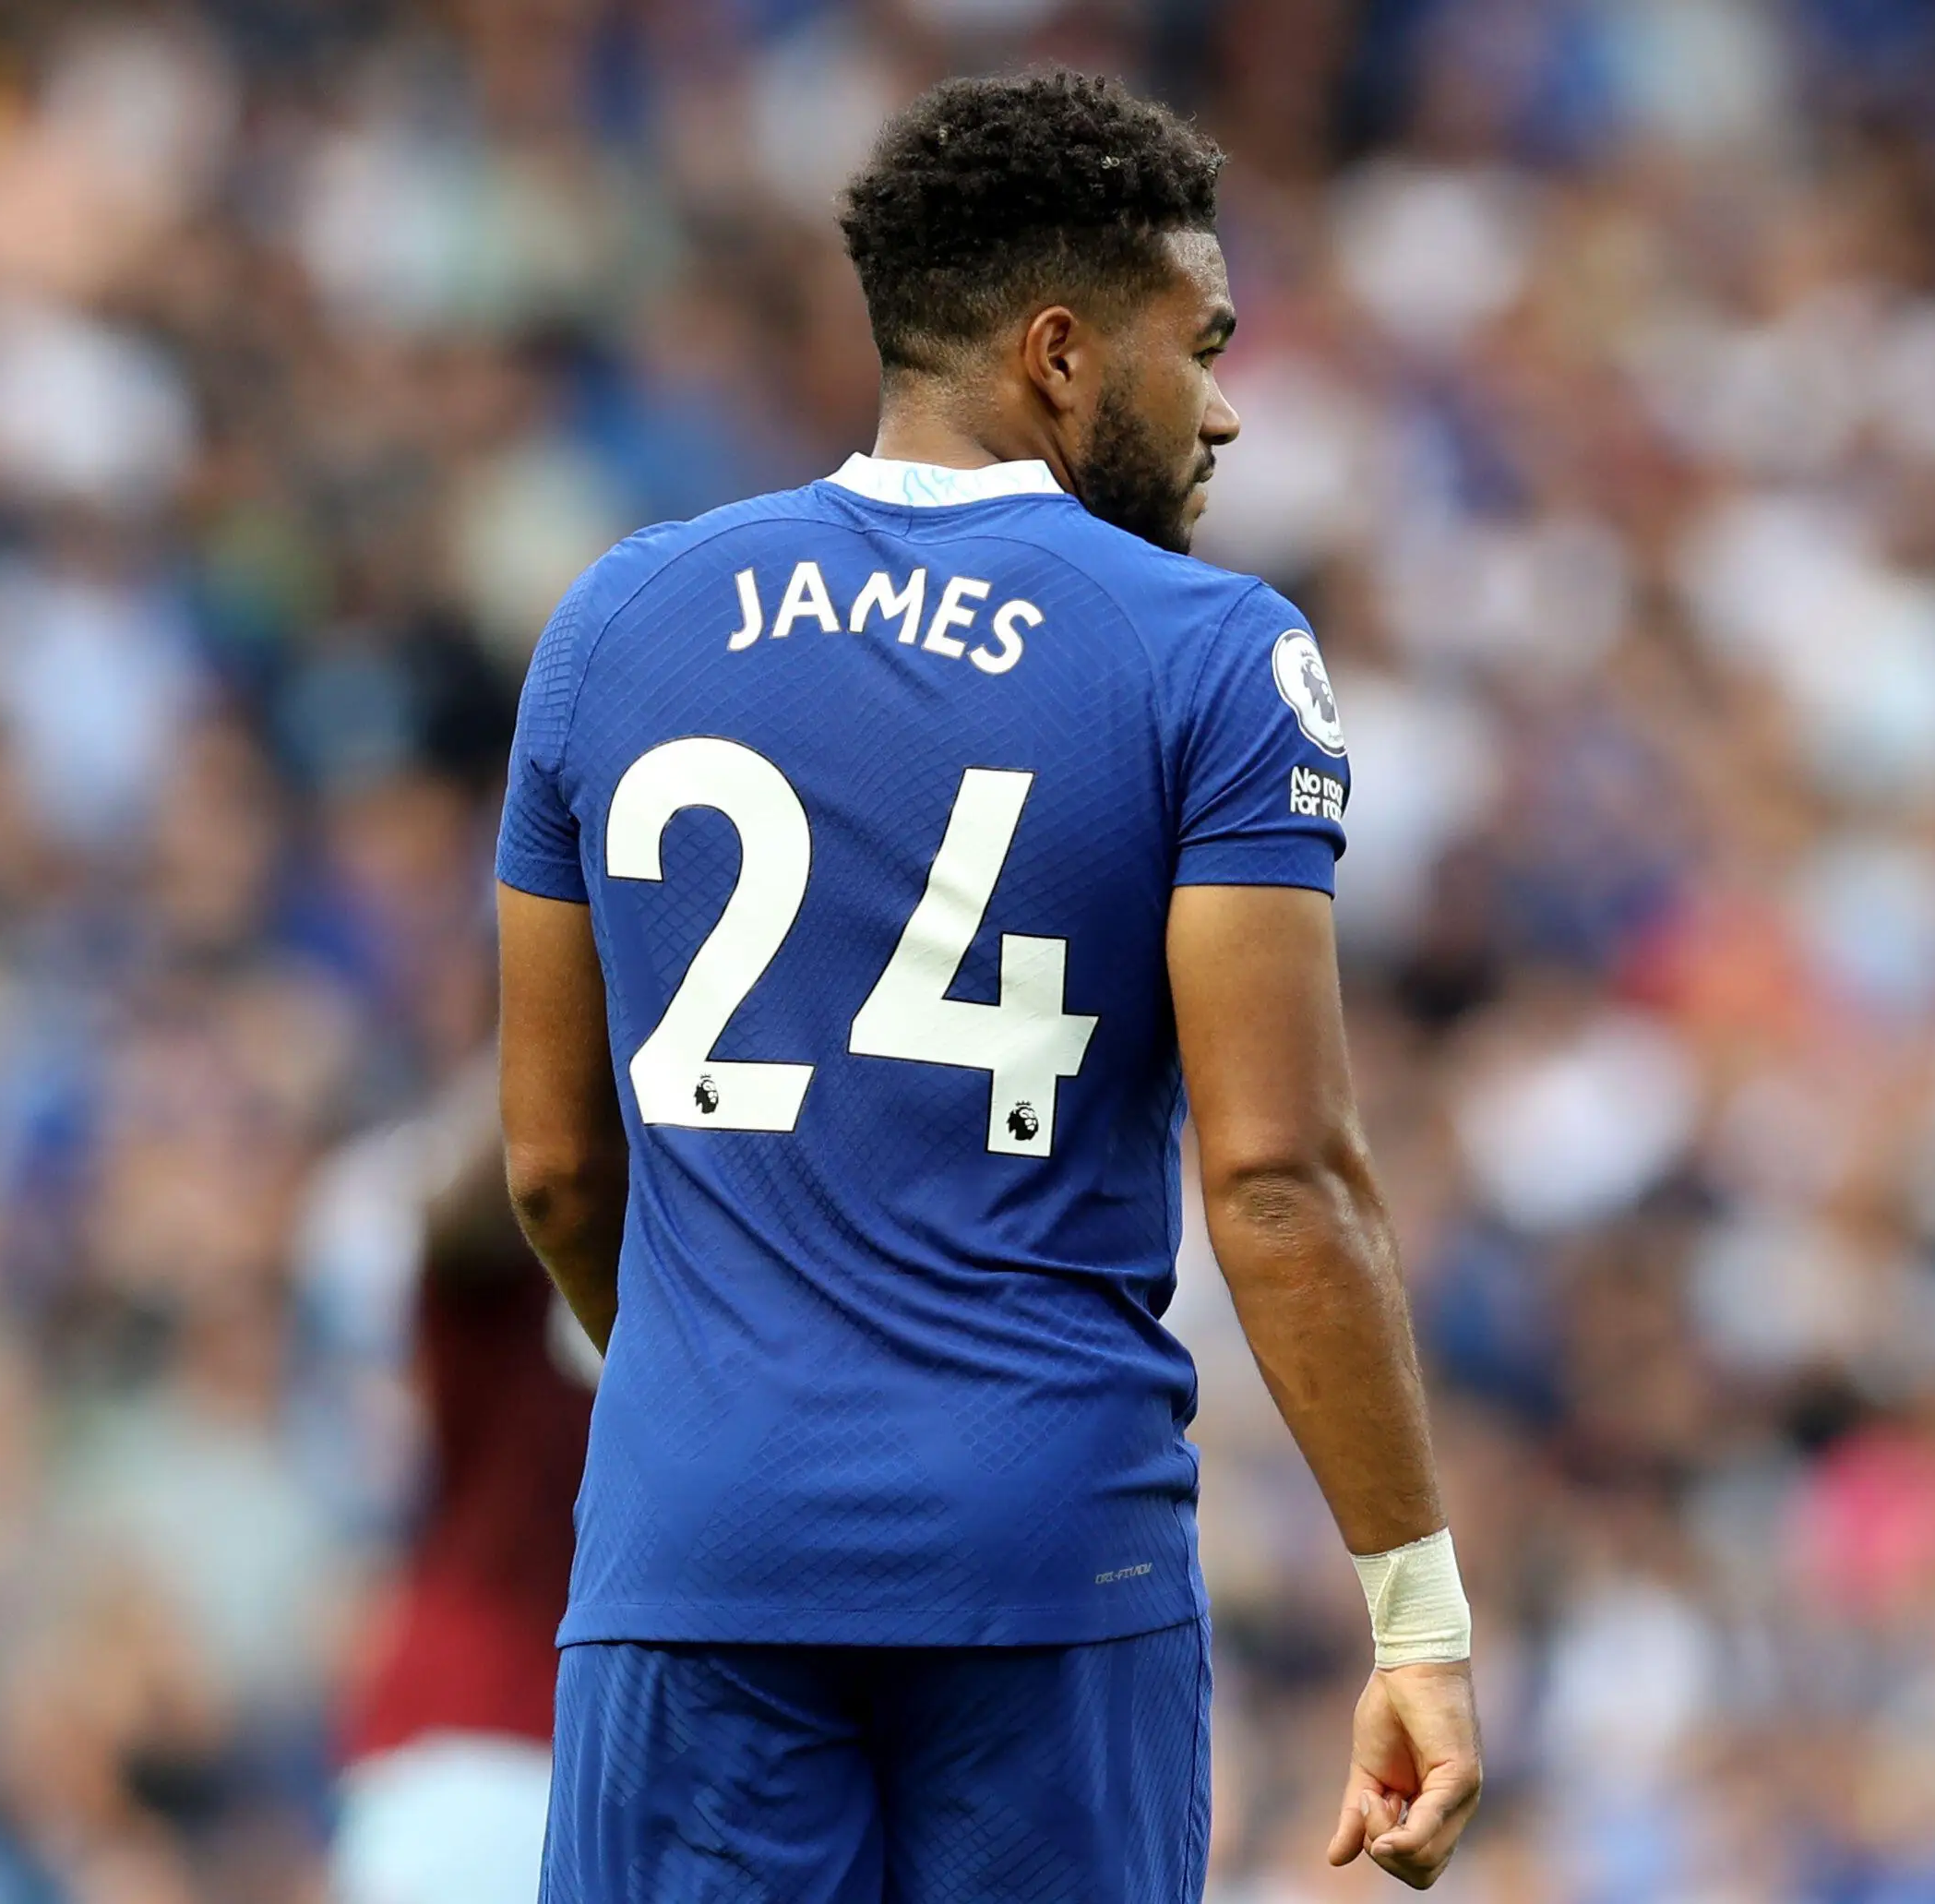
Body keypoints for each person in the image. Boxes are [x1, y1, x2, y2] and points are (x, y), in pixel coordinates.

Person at [493, 69, 1482, 1901]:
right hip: (1046, 1554)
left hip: (697, 1540)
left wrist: (734, 1390)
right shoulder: (1211, 654)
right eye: (1201, 342)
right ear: (1059, 353)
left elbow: (552, 1162)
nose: (1230, 406)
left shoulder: (617, 622)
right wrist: (1414, 1613)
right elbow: (1278, 1178)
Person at [331, 1092, 596, 1904]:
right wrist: (583, 1050)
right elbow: (474, 1204)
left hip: (613, 1758)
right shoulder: (495, 1295)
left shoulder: (707, 1286)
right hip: (471, 1744)